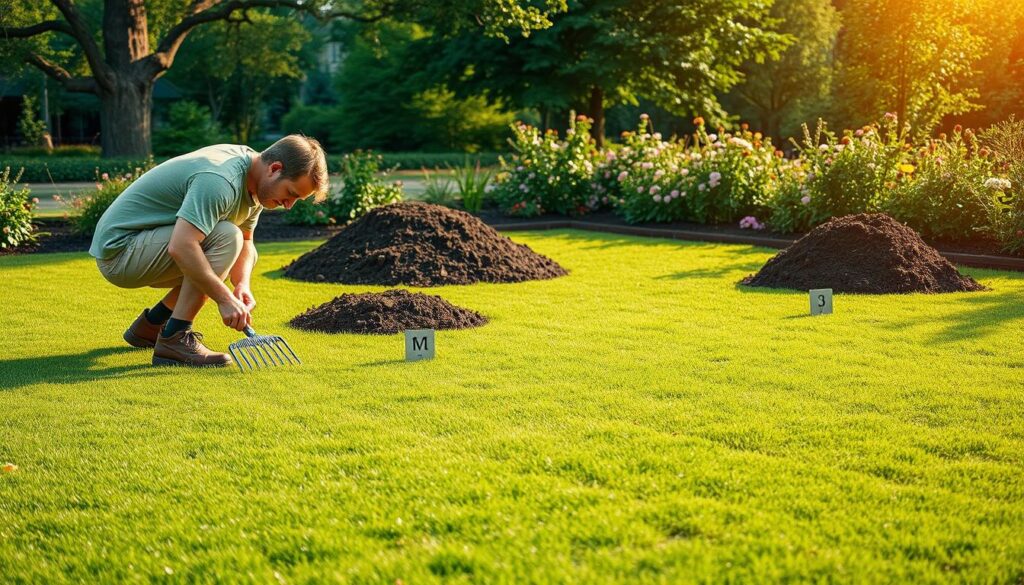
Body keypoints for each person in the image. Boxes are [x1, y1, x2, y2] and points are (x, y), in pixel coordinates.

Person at [89, 135, 329, 367]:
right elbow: (182, 246)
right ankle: (175, 338)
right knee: (225, 237)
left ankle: (152, 324)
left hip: (143, 246)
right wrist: (224, 299)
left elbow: (247, 241)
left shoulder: (255, 181)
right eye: (290, 194)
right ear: (274, 168)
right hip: (120, 252)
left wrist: (242, 285)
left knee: (225, 245)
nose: (289, 206)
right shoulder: (220, 180)